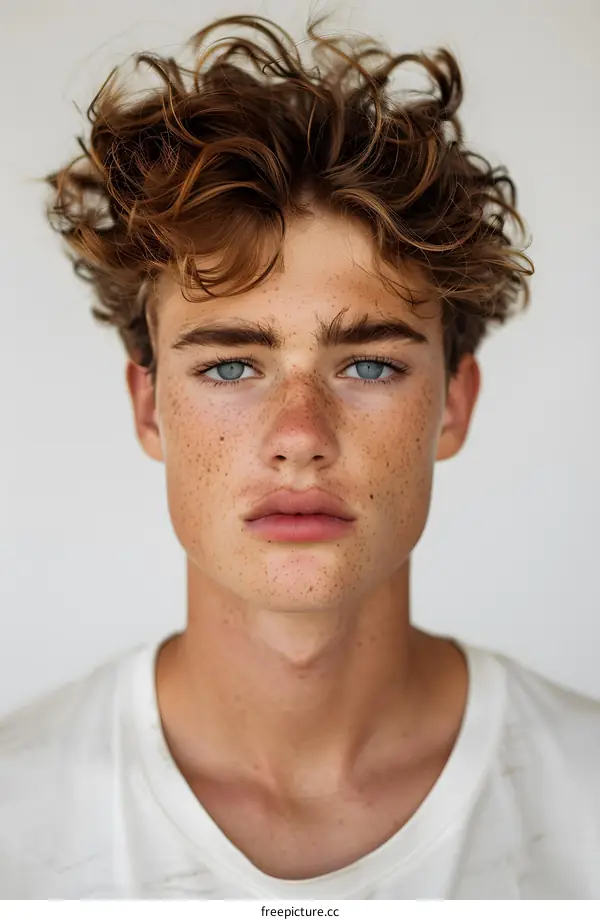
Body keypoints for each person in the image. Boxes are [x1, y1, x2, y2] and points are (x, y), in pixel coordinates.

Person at [1, 11, 598, 901]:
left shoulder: (585, 802)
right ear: (149, 407)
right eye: (230, 366)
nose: (300, 436)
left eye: (369, 365)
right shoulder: (17, 823)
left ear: (453, 403)